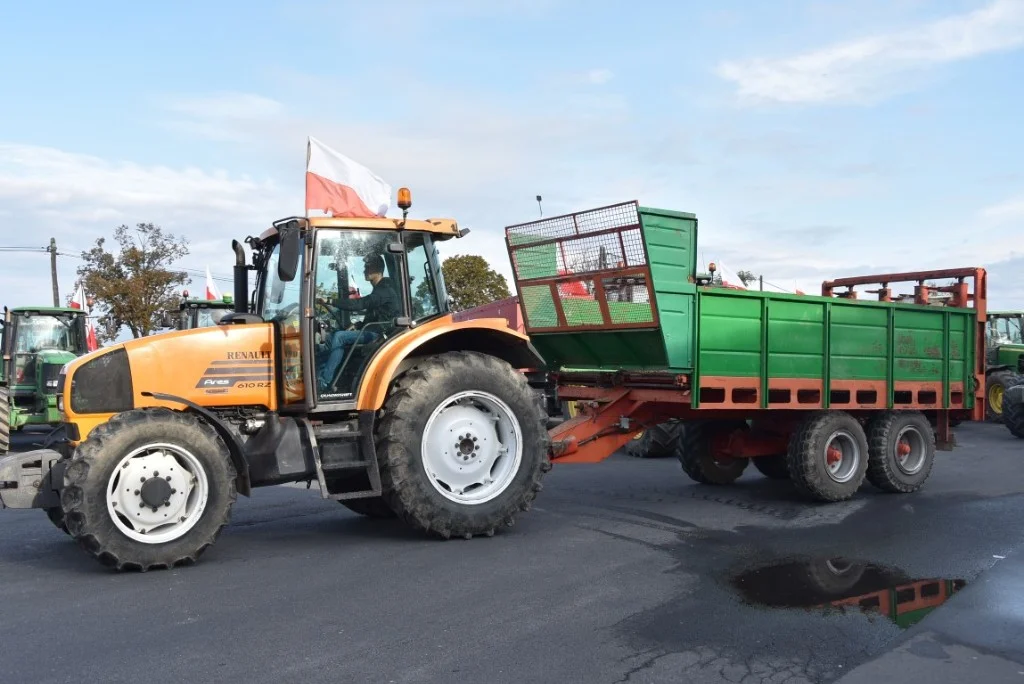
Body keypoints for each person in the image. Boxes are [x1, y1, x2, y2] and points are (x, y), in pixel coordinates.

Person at [316, 254, 400, 390]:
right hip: (371, 330)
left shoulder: (384, 290)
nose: (364, 270)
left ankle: (325, 382)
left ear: (376, 268)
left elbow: (360, 304)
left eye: (367, 267)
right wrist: (357, 325)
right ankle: (319, 373)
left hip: (379, 334)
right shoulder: (379, 290)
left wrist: (330, 301)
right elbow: (377, 316)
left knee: (340, 337)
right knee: (332, 337)